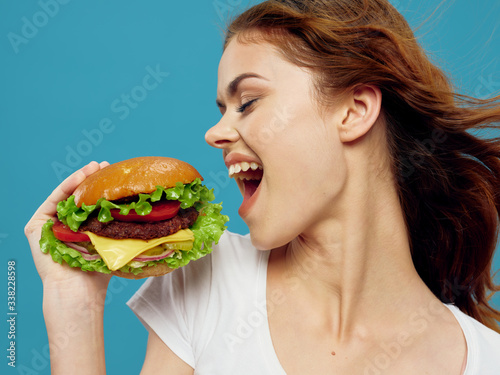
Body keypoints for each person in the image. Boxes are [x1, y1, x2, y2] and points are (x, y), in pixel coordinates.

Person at [25, 0, 500, 374]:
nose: (214, 134)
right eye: (220, 109)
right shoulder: (206, 279)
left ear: (354, 111)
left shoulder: (486, 360)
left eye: (247, 102)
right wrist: (76, 305)